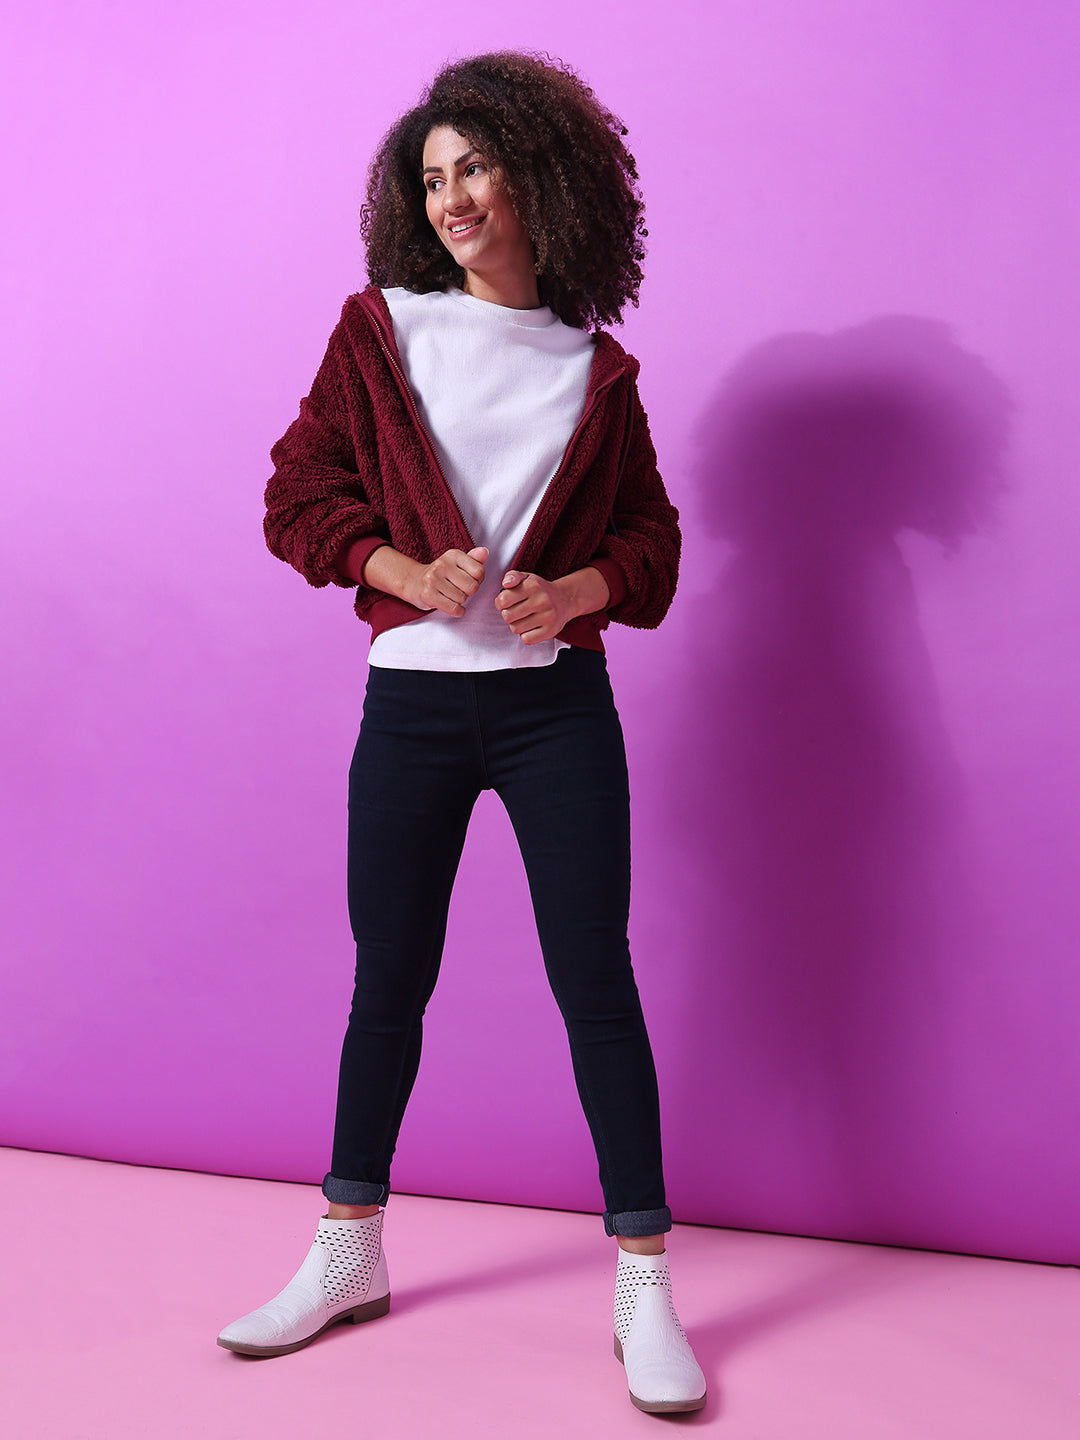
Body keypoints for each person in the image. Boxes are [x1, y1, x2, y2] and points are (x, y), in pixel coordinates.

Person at [216, 51, 706, 1415]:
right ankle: (347, 1250)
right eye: (431, 179)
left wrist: (580, 590)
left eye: (476, 167)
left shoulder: (597, 370)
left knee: (594, 981)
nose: (452, 199)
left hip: (557, 710)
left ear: (541, 176)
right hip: (415, 706)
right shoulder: (382, 332)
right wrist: (399, 571)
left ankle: (645, 1283)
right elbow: (297, 496)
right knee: (388, 979)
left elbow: (654, 543)